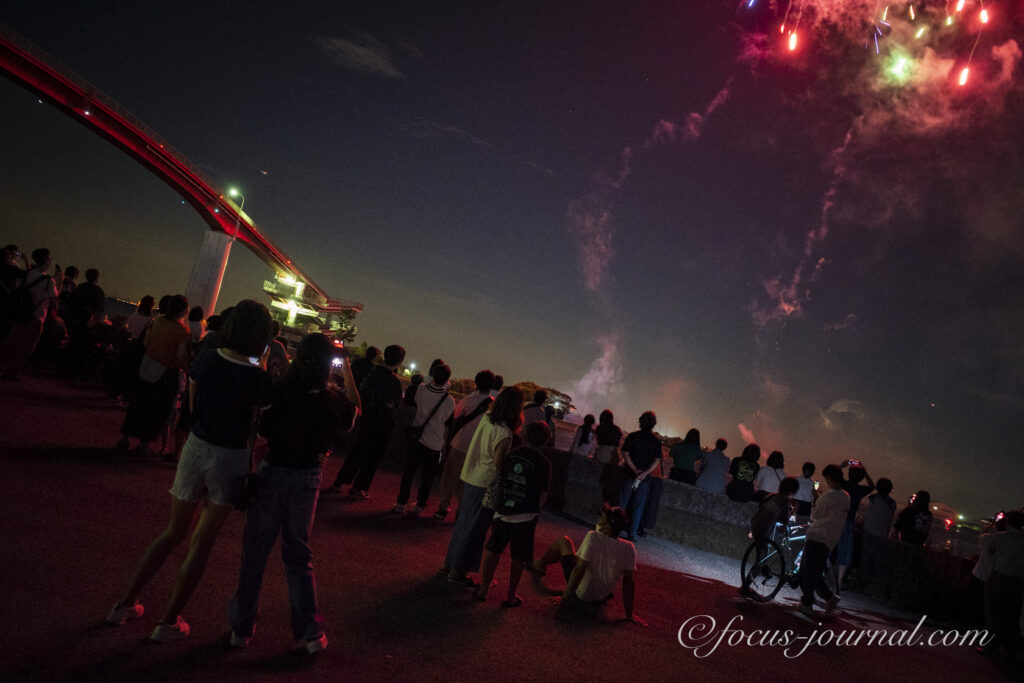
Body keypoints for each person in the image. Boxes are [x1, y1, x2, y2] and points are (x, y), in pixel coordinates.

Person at [106, 299, 274, 642]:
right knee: (202, 544)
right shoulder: (259, 379)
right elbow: (261, 427)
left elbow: (195, 406)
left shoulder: (208, 360)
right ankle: (167, 622)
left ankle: (124, 605)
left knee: (172, 532)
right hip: (230, 457)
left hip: (196, 447)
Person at [228, 333, 360, 654]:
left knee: (255, 554)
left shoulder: (281, 388)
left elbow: (259, 426)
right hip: (307, 477)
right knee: (298, 556)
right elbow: (354, 413)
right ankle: (310, 632)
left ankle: (241, 629)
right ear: (329, 363)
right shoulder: (330, 397)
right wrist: (347, 371)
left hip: (273, 470)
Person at [441, 386, 523, 586]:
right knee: (475, 529)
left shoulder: (487, 418)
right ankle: (458, 573)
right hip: (485, 482)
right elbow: (499, 463)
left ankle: (449, 565)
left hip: (470, 475)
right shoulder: (505, 433)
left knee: (463, 524)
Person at [474, 422, 552, 605]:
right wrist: (535, 511)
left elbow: (500, 477)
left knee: (493, 549)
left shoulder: (512, 455)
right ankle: (510, 596)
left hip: (503, 510)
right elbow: (544, 493)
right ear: (546, 441)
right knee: (518, 557)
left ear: (525, 435)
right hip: (525, 516)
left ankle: (483, 589)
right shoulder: (544, 464)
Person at [528, 504, 646, 626]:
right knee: (579, 556)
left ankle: (539, 565)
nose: (599, 520)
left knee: (564, 541)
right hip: (601, 596)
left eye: (602, 519)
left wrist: (564, 597)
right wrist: (629, 614)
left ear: (607, 526)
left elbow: (579, 569)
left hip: (582, 594)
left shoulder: (593, 537)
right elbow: (628, 583)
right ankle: (540, 564)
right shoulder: (629, 547)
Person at [116, 294, 191, 457]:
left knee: (138, 402)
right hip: (166, 373)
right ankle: (144, 443)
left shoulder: (156, 321)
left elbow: (146, 342)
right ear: (185, 311)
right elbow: (180, 356)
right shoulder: (182, 331)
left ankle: (125, 437)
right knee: (157, 409)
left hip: (147, 364)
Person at [330, 344, 405, 497]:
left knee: (357, 450)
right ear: (399, 361)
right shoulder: (395, 382)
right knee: (372, 457)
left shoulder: (374, 372)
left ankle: (340, 481)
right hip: (382, 424)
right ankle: (359, 488)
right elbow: (393, 404)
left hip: (366, 418)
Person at [394, 363, 455, 515]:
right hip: (435, 443)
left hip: (417, 438)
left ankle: (401, 502)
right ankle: (419, 506)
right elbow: (447, 423)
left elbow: (414, 404)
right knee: (427, 477)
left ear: (433, 375)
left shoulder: (420, 390)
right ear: (448, 380)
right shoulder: (449, 401)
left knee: (409, 472)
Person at [434, 369, 494, 520]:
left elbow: (454, 417)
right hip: (478, 450)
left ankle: (442, 508)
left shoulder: (468, 400)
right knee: (467, 482)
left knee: (450, 478)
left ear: (476, 382)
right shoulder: (494, 406)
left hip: (460, 444)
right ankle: (461, 511)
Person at [0, 248, 59, 381]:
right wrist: (58, 279)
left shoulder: (28, 274)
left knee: (13, 341)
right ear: (47, 261)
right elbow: (54, 295)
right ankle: (12, 372)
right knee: (27, 346)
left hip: (21, 312)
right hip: (37, 316)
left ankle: (7, 367)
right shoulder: (50, 281)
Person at [799, 465, 849, 617]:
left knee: (807, 572)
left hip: (817, 535)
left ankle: (808, 603)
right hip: (831, 538)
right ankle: (828, 597)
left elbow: (815, 516)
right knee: (814, 571)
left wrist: (816, 499)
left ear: (830, 478)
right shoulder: (846, 497)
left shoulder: (827, 497)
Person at [740, 477, 800, 599]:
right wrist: (794, 510)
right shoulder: (784, 500)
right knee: (761, 560)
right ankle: (745, 587)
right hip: (763, 529)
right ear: (792, 491)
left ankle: (750, 582)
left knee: (761, 556)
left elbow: (762, 506)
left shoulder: (773, 495)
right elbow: (784, 519)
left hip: (756, 524)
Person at [981, 510, 1024, 664]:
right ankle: (1011, 651)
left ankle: (991, 647)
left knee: (993, 614)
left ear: (1007, 522)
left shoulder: (1000, 538)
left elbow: (987, 548)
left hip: (999, 578)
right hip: (1017, 583)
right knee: (1012, 617)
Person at [618, 411, 663, 542]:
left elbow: (625, 454)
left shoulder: (632, 436)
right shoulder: (656, 442)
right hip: (644, 479)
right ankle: (631, 535)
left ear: (640, 421)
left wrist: (634, 469)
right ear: (654, 425)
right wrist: (644, 473)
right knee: (638, 507)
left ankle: (615, 528)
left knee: (622, 504)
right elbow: (656, 461)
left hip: (628, 474)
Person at [836, 460, 875, 588]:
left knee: (829, 547)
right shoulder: (860, 490)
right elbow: (871, 486)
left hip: (836, 520)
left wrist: (843, 464)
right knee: (845, 553)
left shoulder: (843, 484)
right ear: (861, 477)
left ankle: (822, 575)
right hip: (849, 523)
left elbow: (834, 473)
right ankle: (839, 581)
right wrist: (865, 471)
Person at [860, 477, 897, 586]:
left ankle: (862, 582)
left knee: (866, 557)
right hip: (882, 533)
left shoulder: (873, 498)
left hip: (869, 530)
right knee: (878, 559)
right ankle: (876, 584)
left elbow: (870, 512)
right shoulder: (892, 503)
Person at [594, 410, 624, 505]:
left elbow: (598, 442)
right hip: (613, 455)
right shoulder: (617, 429)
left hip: (601, 453)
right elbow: (618, 444)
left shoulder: (599, 428)